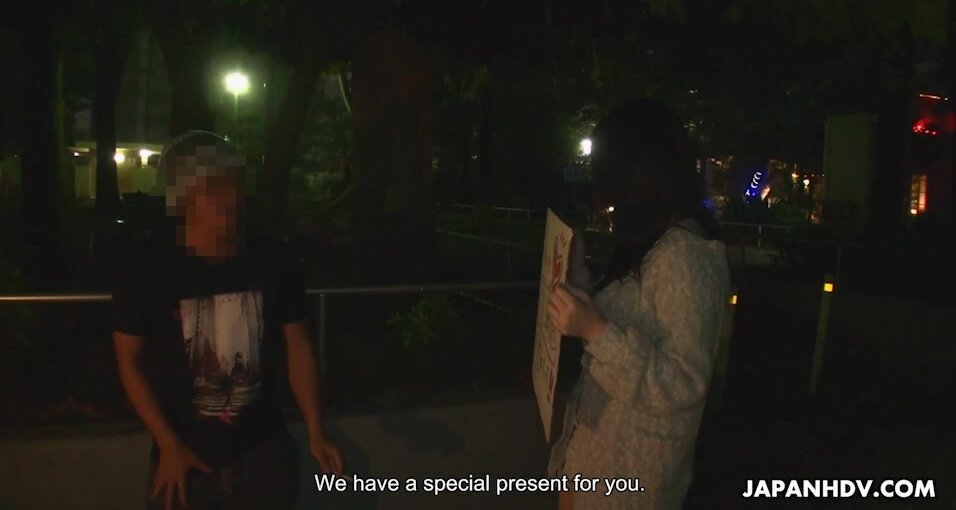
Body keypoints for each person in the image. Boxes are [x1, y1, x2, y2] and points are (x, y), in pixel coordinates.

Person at [111, 131, 343, 510]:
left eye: (232, 186)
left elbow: (299, 344)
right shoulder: (147, 266)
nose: (228, 201)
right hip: (185, 456)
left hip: (264, 451)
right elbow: (129, 360)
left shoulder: (271, 258)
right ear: (183, 197)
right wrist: (169, 443)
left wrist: (315, 428)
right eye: (212, 190)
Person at [547, 99, 730, 509]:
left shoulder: (686, 255)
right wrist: (577, 279)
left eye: (605, 168)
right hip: (594, 460)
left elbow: (682, 383)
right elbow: (624, 322)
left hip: (630, 480)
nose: (599, 183)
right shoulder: (654, 242)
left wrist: (595, 332)